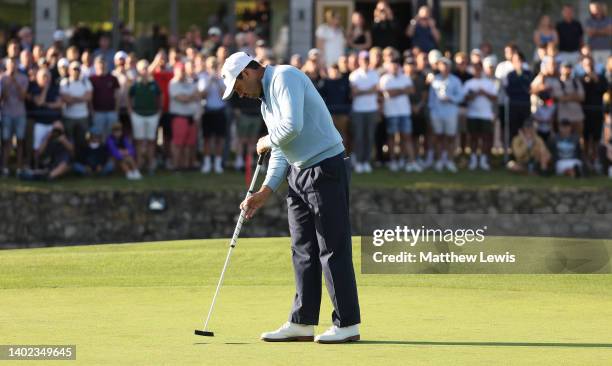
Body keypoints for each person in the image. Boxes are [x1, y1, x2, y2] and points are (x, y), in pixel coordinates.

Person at [220, 52, 361, 343]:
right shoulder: (264, 103)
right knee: (303, 249)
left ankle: (347, 324)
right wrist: (265, 191)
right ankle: (302, 321)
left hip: (325, 168)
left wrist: (265, 140)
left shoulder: (284, 77)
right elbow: (283, 148)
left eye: (237, 87)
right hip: (298, 174)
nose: (240, 95)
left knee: (332, 247)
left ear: (247, 73)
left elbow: (292, 127)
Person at [379, 57, 418, 172]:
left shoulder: (405, 77)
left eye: (396, 66)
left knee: (407, 137)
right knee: (392, 137)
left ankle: (410, 161)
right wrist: (402, 90)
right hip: (391, 113)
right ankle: (393, 161)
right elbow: (390, 93)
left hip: (404, 112)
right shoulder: (385, 78)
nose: (395, 68)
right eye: (393, 66)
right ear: (389, 67)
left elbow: (411, 90)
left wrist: (397, 91)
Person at [428, 57, 463, 173]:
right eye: (442, 65)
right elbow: (431, 99)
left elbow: (460, 97)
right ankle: (439, 160)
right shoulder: (435, 80)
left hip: (451, 113)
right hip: (437, 113)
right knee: (439, 137)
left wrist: (450, 98)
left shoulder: (456, 80)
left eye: (446, 65)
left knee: (450, 137)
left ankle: (450, 161)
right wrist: (432, 111)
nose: (444, 68)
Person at [349, 50, 379, 173]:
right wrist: (368, 90)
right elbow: (354, 93)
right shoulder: (354, 75)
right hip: (358, 110)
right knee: (359, 136)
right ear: (359, 61)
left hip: (372, 109)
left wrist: (362, 91)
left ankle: (366, 161)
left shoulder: (374, 73)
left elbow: (376, 89)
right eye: (363, 60)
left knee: (370, 136)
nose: (365, 62)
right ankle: (359, 161)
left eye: (367, 60)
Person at [128, 59, 161, 173]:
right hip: (138, 114)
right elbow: (129, 96)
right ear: (138, 70)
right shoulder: (135, 83)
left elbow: (159, 96)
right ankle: (139, 163)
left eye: (146, 68)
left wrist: (159, 110)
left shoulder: (154, 83)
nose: (145, 70)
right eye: (142, 68)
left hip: (152, 114)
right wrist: (130, 110)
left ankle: (151, 164)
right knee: (139, 141)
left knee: (151, 140)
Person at [463, 62, 497, 170]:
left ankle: (483, 160)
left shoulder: (489, 83)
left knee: (485, 138)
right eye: (475, 69)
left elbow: (495, 98)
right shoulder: (468, 83)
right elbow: (464, 98)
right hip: (472, 114)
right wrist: (474, 95)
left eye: (479, 69)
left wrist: (484, 93)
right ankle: (473, 160)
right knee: (473, 137)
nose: (477, 71)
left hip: (486, 115)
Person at [26, 68, 62, 167]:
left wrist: (47, 104)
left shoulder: (54, 89)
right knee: (36, 147)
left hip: (53, 122)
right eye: (44, 77)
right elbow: (39, 102)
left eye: (48, 77)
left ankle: (52, 166)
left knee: (54, 145)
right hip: (40, 123)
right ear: (38, 78)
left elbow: (59, 104)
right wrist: (45, 89)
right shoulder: (35, 89)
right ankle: (35, 165)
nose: (47, 79)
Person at [198, 56, 227, 174]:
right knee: (207, 139)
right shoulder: (203, 78)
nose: (213, 68)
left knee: (219, 139)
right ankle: (207, 163)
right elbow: (202, 94)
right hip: (208, 111)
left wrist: (218, 81)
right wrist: (210, 81)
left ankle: (218, 164)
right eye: (211, 66)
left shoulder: (222, 78)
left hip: (220, 111)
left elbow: (224, 95)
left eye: (214, 66)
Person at [0, 57, 28, 176]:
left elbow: (23, 96)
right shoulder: (2, 78)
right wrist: (6, 84)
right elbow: (2, 98)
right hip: (6, 113)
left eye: (14, 64)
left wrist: (15, 82)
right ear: (7, 65)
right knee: (6, 142)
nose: (12, 66)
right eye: (10, 64)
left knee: (20, 142)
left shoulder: (23, 78)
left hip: (20, 114)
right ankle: (5, 167)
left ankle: (19, 168)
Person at [169, 62, 199, 170]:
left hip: (191, 117)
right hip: (179, 117)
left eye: (183, 71)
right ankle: (176, 165)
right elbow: (182, 99)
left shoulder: (189, 82)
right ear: (175, 71)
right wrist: (190, 97)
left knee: (189, 144)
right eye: (180, 71)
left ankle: (187, 165)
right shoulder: (173, 83)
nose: (182, 73)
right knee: (178, 143)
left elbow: (197, 95)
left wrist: (188, 97)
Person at [580, 56, 608, 166]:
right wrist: (586, 81)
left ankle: (595, 159)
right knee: (585, 138)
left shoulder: (601, 77)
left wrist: (596, 80)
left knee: (596, 137)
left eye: (590, 64)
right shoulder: (580, 78)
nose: (589, 67)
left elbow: (604, 89)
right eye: (586, 64)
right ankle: (586, 159)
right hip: (585, 112)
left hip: (597, 111)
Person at [319, 63, 352, 152]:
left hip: (343, 114)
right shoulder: (325, 82)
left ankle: (344, 156)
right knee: (330, 137)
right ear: (329, 72)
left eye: (336, 70)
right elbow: (319, 96)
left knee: (343, 136)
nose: (334, 72)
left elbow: (349, 98)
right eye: (332, 71)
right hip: (329, 114)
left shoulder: (345, 82)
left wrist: (348, 112)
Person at [89, 56, 120, 139]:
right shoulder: (91, 79)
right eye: (99, 63)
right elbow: (90, 98)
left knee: (112, 135)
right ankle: (101, 152)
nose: (101, 65)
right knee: (98, 135)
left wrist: (116, 111)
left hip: (111, 112)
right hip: (98, 112)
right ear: (95, 65)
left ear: (107, 64)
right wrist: (92, 111)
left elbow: (117, 96)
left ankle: (111, 151)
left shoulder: (113, 78)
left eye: (103, 62)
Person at [557, 61, 585, 137]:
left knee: (578, 139)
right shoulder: (557, 82)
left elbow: (582, 97)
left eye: (569, 68)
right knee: (564, 138)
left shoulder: (576, 82)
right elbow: (560, 98)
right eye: (565, 67)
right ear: (561, 69)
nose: (567, 70)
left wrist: (567, 96)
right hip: (564, 117)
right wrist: (574, 96)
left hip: (577, 117)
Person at [585, 2, 612, 66]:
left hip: (606, 49)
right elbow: (590, 32)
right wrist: (604, 31)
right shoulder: (589, 20)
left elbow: (610, 31)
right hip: (593, 50)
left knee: (607, 70)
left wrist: (595, 31)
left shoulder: (608, 19)